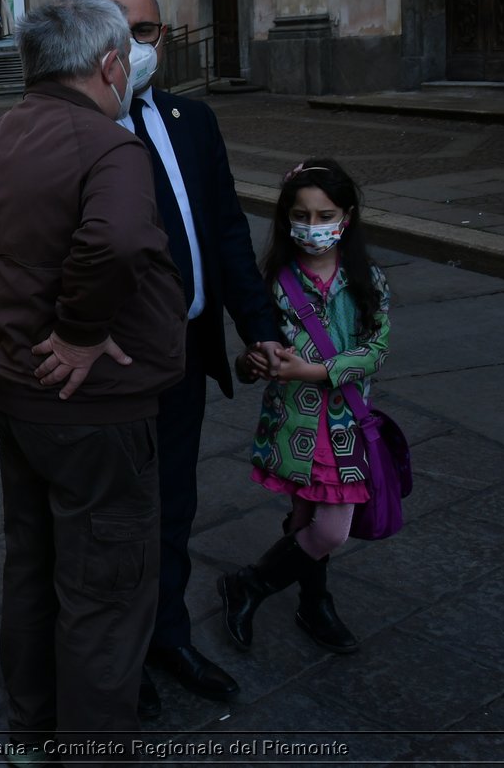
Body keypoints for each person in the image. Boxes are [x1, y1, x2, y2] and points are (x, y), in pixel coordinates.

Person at [0, 0, 186, 742]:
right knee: (105, 593)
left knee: (32, 570)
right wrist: (79, 330)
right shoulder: (111, 146)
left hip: (18, 396)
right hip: (95, 405)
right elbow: (121, 238)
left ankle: (32, 737)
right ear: (108, 66)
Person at [99, 0, 283, 717]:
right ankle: (120, 654)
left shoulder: (193, 119)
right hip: (111, 362)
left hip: (183, 353)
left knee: (175, 503)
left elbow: (228, 231)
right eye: (122, 34)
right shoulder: (78, 128)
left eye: (148, 33)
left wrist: (260, 325)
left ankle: (166, 633)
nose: (138, 48)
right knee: (118, 513)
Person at [219, 158, 390, 657]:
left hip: (344, 430)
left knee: (332, 528)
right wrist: (252, 362)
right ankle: (315, 604)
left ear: (347, 217)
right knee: (303, 520)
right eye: (302, 215)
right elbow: (254, 353)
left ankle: (250, 584)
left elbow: (376, 352)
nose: (313, 227)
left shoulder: (367, 280)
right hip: (290, 426)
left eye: (325, 215)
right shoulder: (271, 283)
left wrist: (314, 372)